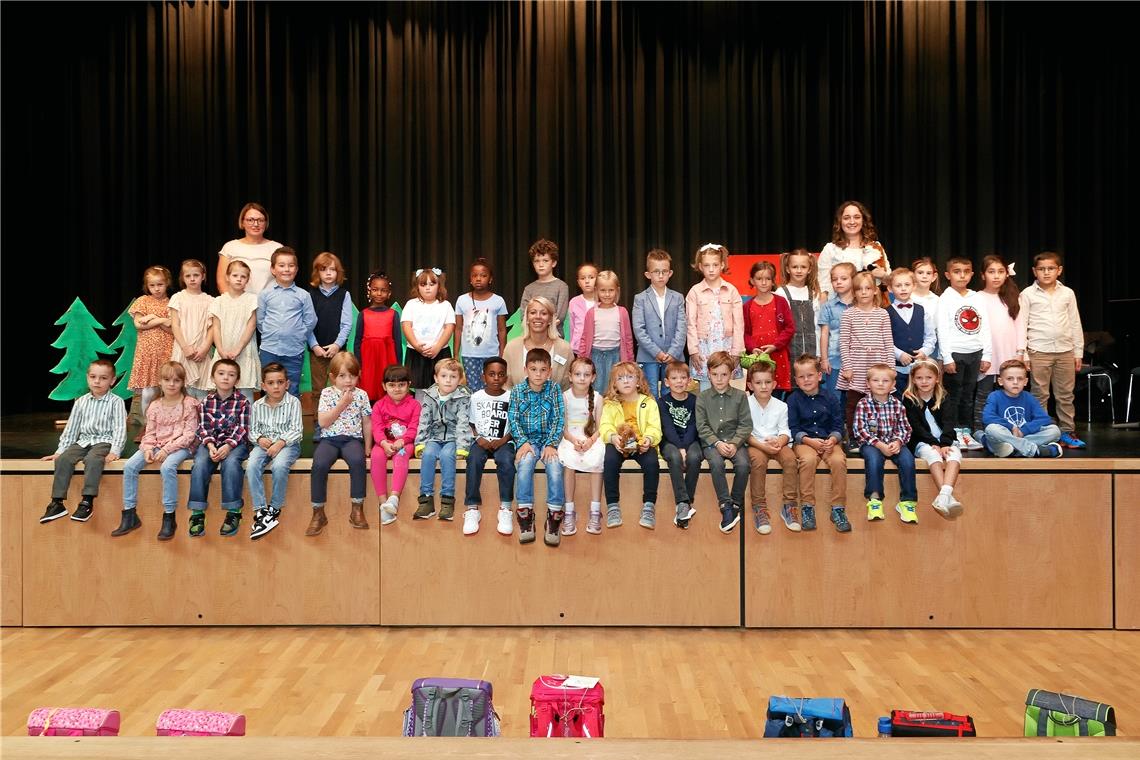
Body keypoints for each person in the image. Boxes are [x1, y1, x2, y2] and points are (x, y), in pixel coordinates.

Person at [113, 360, 199, 539]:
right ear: (160, 381)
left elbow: (189, 435)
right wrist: (147, 449)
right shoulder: (155, 405)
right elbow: (149, 433)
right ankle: (129, 513)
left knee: (167, 467)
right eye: (167, 380)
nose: (172, 384)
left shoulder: (189, 403)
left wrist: (167, 450)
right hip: (157, 445)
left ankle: (169, 516)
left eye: (176, 380)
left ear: (183, 382)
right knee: (129, 466)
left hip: (181, 446)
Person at [39, 359, 127, 524]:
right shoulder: (81, 402)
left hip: (104, 441)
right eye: (93, 376)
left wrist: (115, 451)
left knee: (93, 459)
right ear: (87, 378)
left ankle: (87, 501)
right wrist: (59, 451)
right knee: (64, 459)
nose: (97, 381)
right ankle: (57, 502)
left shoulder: (116, 402)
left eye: (103, 378)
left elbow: (120, 429)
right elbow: (71, 429)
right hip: (84, 441)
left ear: (112, 381)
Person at [1019, 251, 1086, 449]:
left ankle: (1067, 431)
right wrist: (1023, 353)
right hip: (1039, 350)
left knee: (1066, 394)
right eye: (1041, 269)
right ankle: (1043, 432)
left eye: (1050, 268)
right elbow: (1022, 324)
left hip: (1065, 350)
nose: (1046, 272)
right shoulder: (1027, 294)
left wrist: (1078, 351)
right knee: (1040, 394)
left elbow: (1075, 322)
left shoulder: (1067, 293)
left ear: (1059, 270)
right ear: (1034, 271)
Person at [309, 352, 373, 535]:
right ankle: (318, 511)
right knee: (319, 464)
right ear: (332, 377)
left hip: (352, 439)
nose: (348, 381)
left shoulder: (361, 395)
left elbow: (367, 422)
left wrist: (367, 447)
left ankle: (357, 508)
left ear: (358, 375)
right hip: (329, 440)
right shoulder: (327, 394)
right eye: (342, 376)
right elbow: (323, 422)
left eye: (352, 376)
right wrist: (342, 404)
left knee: (357, 461)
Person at [507, 348, 565, 546]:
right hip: (528, 442)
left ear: (549, 371)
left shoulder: (554, 389)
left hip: (549, 441)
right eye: (533, 369)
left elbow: (558, 419)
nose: (538, 374)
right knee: (524, 467)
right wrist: (522, 442)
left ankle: (554, 515)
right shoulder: (517, 391)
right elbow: (513, 419)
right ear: (525, 370)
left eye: (543, 370)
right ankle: (525, 515)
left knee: (556, 468)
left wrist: (551, 444)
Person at [186, 359, 251, 538]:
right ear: (213, 377)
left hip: (235, 444)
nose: (225, 378)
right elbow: (203, 427)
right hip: (211, 443)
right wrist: (210, 445)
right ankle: (197, 514)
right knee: (199, 463)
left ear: (237, 380)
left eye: (231, 375)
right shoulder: (206, 401)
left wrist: (228, 447)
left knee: (230, 464)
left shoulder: (243, 402)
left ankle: (233, 511)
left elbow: (243, 428)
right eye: (221, 374)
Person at [787, 354, 850, 533]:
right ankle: (807, 507)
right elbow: (793, 427)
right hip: (805, 441)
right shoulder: (792, 400)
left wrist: (832, 439)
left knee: (839, 461)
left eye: (810, 375)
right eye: (801, 376)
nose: (806, 380)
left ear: (819, 376)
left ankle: (838, 508)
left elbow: (838, 425)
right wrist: (809, 441)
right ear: (796, 380)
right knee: (807, 461)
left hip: (828, 442)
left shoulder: (830, 398)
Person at [599, 361, 662, 530]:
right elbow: (605, 426)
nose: (626, 381)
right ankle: (612, 506)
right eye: (620, 378)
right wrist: (612, 438)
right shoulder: (610, 404)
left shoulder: (648, 402)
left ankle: (649, 506)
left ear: (638, 381)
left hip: (642, 445)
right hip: (619, 444)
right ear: (614, 384)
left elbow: (655, 427)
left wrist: (649, 439)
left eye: (630, 377)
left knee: (652, 462)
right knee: (610, 459)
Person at [853, 364, 918, 524]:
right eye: (876, 380)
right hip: (871, 444)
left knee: (908, 460)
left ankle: (907, 502)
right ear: (868, 383)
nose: (880, 384)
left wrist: (898, 441)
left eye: (885, 380)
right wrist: (880, 445)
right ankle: (875, 500)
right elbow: (860, 430)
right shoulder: (863, 404)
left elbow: (905, 428)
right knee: (874, 460)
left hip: (893, 442)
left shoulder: (897, 405)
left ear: (893, 385)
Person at [696, 351, 752, 534]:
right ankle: (725, 505)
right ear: (708, 374)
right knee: (716, 463)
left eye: (724, 374)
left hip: (736, 441)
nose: (719, 379)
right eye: (715, 375)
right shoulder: (702, 398)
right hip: (712, 443)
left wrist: (735, 443)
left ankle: (735, 502)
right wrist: (717, 443)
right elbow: (702, 426)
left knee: (744, 464)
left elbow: (745, 425)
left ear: (732, 374)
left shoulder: (740, 396)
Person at [937, 257, 991, 448]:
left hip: (975, 353)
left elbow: (985, 327)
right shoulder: (945, 299)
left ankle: (966, 432)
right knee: (953, 396)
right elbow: (942, 329)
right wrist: (947, 357)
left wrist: (987, 354)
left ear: (972, 274)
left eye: (966, 271)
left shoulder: (977, 298)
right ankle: (953, 434)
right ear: (947, 275)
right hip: (955, 354)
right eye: (956, 271)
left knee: (968, 396)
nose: (962, 275)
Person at [246, 362, 303, 541]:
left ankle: (274, 508)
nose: (276, 386)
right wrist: (259, 439)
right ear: (263, 386)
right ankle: (261, 509)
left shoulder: (293, 402)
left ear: (287, 384)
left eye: (280, 382)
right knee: (252, 465)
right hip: (263, 445)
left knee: (279, 466)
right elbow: (252, 430)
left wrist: (280, 443)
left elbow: (297, 429)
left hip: (288, 444)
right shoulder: (257, 406)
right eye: (271, 383)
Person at [413, 357, 472, 523]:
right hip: (434, 436)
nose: (448, 380)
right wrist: (420, 443)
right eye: (444, 376)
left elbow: (463, 423)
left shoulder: (463, 397)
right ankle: (426, 500)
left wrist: (462, 447)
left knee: (447, 456)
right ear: (436, 378)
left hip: (453, 438)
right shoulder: (429, 396)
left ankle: (447, 499)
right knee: (429, 455)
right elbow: (424, 421)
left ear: (459, 380)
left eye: (453, 377)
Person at [903, 359, 964, 518]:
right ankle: (948, 498)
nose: (924, 381)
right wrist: (933, 444)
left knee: (954, 454)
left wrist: (944, 443)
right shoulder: (909, 399)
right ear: (913, 379)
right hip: (921, 440)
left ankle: (943, 496)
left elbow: (949, 422)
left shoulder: (943, 397)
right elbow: (916, 427)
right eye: (919, 378)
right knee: (932, 454)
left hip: (945, 440)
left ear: (937, 378)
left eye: (929, 377)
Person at [837, 271, 893, 446]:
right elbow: (844, 342)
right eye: (859, 289)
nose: (864, 292)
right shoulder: (849, 314)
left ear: (875, 290)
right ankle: (854, 438)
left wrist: (890, 369)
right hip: (856, 364)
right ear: (854, 292)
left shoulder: (883, 314)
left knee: (877, 402)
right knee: (853, 403)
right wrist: (847, 367)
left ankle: (879, 434)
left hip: (878, 363)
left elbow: (888, 342)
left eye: (868, 288)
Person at [744, 359, 798, 534]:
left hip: (776, 443)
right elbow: (745, 433)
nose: (764, 386)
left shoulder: (782, 406)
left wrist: (780, 442)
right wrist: (762, 446)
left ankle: (789, 505)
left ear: (774, 384)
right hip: (754, 443)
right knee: (758, 462)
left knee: (790, 459)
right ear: (750, 385)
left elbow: (785, 431)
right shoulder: (744, 404)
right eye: (758, 383)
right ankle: (759, 508)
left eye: (768, 382)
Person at [257, 246, 318, 397]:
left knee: (292, 388)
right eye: (281, 265)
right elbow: (260, 320)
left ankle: (291, 421)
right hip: (269, 350)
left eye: (291, 266)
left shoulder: (303, 295)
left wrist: (298, 334)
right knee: (269, 389)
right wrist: (271, 332)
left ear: (296, 270)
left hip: (294, 351)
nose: (286, 269)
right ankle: (268, 420)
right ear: (273, 269)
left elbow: (311, 320)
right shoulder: (265, 294)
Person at [464, 357, 515, 536]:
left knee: (507, 461)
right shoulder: (476, 397)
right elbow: (471, 423)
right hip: (482, 441)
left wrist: (503, 439)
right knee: (474, 460)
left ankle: (506, 508)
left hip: (504, 441)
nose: (496, 378)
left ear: (506, 378)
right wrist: (478, 438)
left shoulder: (512, 396)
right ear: (483, 376)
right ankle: (472, 509)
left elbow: (515, 424)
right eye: (491, 374)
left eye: (500, 375)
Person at [973, 255, 1025, 432]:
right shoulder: (976, 297)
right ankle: (980, 429)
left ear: (1007, 274)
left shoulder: (1013, 298)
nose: (996, 276)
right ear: (982, 275)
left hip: (1009, 354)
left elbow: (1020, 326)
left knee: (1009, 394)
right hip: (987, 355)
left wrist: (1020, 352)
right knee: (984, 395)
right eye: (991, 272)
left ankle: (1008, 429)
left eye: (1000, 272)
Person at [557, 357, 604, 536]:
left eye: (586, 375)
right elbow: (563, 428)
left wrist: (590, 441)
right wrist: (573, 441)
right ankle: (569, 510)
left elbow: (601, 428)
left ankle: (595, 510)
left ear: (593, 377)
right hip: (570, 439)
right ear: (570, 376)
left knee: (598, 456)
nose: (582, 378)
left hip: (592, 439)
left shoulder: (598, 398)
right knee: (568, 461)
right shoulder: (564, 397)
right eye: (577, 374)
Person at [686, 243, 744, 390]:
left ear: (722, 265)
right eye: (706, 265)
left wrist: (737, 351)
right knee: (706, 387)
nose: (711, 269)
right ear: (700, 266)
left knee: (725, 384)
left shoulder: (731, 290)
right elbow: (690, 323)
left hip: (727, 346)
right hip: (704, 347)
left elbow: (739, 324)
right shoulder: (695, 291)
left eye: (715, 264)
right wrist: (693, 350)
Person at [371, 364, 422, 526]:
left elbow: (414, 427)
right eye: (392, 385)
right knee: (376, 455)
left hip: (405, 444)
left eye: (401, 385)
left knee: (401, 456)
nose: (397, 389)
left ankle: (394, 498)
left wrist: (404, 440)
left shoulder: (415, 405)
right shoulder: (379, 405)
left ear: (409, 385)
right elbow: (377, 428)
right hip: (385, 443)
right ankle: (383, 503)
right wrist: (383, 443)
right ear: (384, 386)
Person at [632, 249, 686, 399]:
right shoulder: (640, 299)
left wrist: (673, 352)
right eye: (656, 272)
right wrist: (657, 352)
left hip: (673, 356)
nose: (661, 276)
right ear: (648, 274)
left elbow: (682, 328)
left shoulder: (678, 298)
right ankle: (654, 423)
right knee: (650, 393)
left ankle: (670, 422)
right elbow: (639, 329)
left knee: (672, 393)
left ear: (670, 273)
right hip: (649, 356)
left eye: (664, 271)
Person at [982, 359, 1063, 458]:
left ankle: (1013, 449)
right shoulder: (994, 396)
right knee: (992, 429)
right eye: (1010, 378)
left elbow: (1044, 418)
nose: (1015, 382)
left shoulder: (1029, 397)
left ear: (1025, 381)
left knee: (1054, 431)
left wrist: (1023, 430)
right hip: (1005, 434)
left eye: (1020, 379)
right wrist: (1011, 427)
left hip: (1021, 436)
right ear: (1000, 381)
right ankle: (1033, 450)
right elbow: (987, 417)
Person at [658, 360, 704, 529]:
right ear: (666, 382)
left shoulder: (695, 400)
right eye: (674, 378)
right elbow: (667, 427)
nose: (679, 381)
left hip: (692, 440)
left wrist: (685, 447)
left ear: (689, 381)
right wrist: (679, 447)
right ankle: (683, 502)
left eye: (683, 378)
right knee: (674, 457)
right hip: (670, 442)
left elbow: (693, 425)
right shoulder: (662, 402)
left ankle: (685, 504)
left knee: (694, 456)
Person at [208, 259, 260, 401]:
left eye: (243, 277)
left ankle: (246, 422)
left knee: (245, 389)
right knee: (222, 388)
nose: (239, 279)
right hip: (223, 350)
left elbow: (251, 326)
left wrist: (238, 349)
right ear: (227, 277)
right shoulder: (218, 301)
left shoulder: (251, 299)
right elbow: (216, 327)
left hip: (244, 351)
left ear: (247, 280)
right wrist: (220, 349)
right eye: (235, 275)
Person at [454, 258, 509, 393]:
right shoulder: (462, 300)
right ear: (470, 279)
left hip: (491, 354)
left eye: (483, 275)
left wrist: (502, 353)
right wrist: (456, 354)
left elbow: (502, 330)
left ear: (490, 279)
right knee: (472, 389)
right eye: (475, 275)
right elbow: (458, 328)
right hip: (469, 354)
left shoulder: (498, 301)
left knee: (491, 388)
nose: (479, 279)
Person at [817, 200, 891, 299]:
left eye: (857, 217)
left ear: (863, 220)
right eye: (846, 218)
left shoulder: (875, 247)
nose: (852, 222)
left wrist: (883, 276)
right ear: (840, 221)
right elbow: (823, 286)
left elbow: (892, 283)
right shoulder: (830, 249)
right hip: (839, 307)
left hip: (871, 308)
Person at [128, 265, 175, 421]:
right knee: (148, 392)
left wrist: (154, 318)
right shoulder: (143, 301)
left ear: (167, 283)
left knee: (167, 391)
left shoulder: (172, 303)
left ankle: (166, 423)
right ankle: (148, 425)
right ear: (147, 286)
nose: (156, 289)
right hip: (147, 353)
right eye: (152, 285)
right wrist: (162, 320)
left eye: (160, 284)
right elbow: (138, 324)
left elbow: (172, 330)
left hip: (166, 352)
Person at [307, 252, 354, 401]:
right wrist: (314, 346)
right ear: (317, 272)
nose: (328, 273)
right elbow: (307, 324)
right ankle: (319, 423)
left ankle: (342, 421)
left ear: (338, 272)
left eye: (332, 269)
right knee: (318, 390)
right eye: (323, 269)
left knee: (342, 387)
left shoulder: (344, 294)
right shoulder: (311, 295)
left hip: (338, 351)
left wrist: (337, 345)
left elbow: (346, 324)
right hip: (317, 352)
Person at [401, 267, 456, 391]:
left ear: (439, 286)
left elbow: (449, 327)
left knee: (442, 386)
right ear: (417, 287)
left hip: (440, 352)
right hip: (416, 352)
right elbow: (406, 326)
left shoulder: (445, 305)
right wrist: (416, 345)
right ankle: (422, 410)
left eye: (432, 284)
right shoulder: (411, 304)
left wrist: (437, 347)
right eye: (423, 284)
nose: (427, 287)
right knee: (420, 389)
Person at [743, 261, 794, 393]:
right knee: (758, 389)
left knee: (777, 392)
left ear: (773, 281)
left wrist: (776, 345)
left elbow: (789, 328)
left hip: (778, 354)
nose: (764, 282)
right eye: (759, 279)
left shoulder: (781, 302)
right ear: (752, 281)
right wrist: (752, 348)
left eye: (767, 279)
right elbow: (745, 333)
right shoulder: (747, 306)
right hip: (758, 357)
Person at [502, 296, 574, 389]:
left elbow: (568, 386)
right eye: (533, 312)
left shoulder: (564, 348)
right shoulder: (512, 347)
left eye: (543, 313)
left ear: (550, 319)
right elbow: (506, 385)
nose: (538, 317)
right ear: (527, 318)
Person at [581, 270, 634, 393]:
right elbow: (584, 338)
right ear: (596, 291)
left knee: (615, 389)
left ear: (617, 291)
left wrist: (629, 361)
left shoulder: (622, 312)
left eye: (611, 290)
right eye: (603, 290)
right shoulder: (591, 313)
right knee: (597, 389)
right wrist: (583, 359)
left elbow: (628, 339)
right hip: (595, 356)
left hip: (616, 356)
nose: (607, 294)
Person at [168, 259, 215, 399]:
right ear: (183, 278)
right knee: (181, 390)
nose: (192, 279)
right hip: (183, 349)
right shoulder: (178, 298)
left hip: (201, 351)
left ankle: (201, 420)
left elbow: (212, 327)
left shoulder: (210, 301)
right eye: (188, 276)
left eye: (196, 275)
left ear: (203, 276)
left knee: (201, 393)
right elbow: (175, 325)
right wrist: (185, 347)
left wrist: (205, 348)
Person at [887, 267, 936, 396]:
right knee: (898, 400)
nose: (903, 288)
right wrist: (899, 354)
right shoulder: (886, 313)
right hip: (896, 369)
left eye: (907, 285)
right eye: (898, 285)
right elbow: (883, 340)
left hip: (919, 369)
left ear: (914, 286)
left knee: (918, 402)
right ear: (890, 289)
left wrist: (924, 351)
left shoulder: (922, 310)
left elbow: (931, 337)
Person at [215, 202, 281, 295]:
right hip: (237, 305)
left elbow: (283, 280)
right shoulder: (230, 247)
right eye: (250, 220)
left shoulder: (277, 248)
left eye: (260, 220)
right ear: (242, 222)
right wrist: (232, 303)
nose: (256, 224)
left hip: (268, 306)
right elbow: (221, 281)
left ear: (266, 223)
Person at [354, 271, 400, 402]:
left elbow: (397, 341)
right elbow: (357, 341)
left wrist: (398, 365)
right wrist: (358, 365)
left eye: (383, 290)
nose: (379, 294)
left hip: (387, 358)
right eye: (375, 290)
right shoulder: (363, 314)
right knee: (368, 388)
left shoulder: (393, 314)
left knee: (386, 386)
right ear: (369, 291)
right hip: (368, 360)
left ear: (389, 293)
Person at [519, 238, 570, 333]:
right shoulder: (529, 289)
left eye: (545, 260)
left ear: (553, 263)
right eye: (537, 261)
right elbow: (524, 315)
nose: (541, 264)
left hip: (554, 336)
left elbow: (560, 316)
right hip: (532, 336)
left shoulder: (561, 286)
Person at [818, 262, 855, 391]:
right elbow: (824, 334)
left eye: (844, 279)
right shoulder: (828, 306)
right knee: (834, 398)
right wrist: (824, 359)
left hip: (858, 361)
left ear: (853, 280)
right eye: (835, 279)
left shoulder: (860, 305)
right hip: (834, 360)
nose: (838, 282)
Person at [779, 249, 821, 360]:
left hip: (812, 352)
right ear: (788, 269)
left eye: (803, 267)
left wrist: (819, 353)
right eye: (794, 267)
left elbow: (817, 327)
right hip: (788, 352)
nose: (799, 271)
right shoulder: (780, 293)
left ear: (809, 269)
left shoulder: (814, 294)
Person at [568, 262, 599, 357]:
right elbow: (571, 327)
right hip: (579, 351)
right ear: (578, 283)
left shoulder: (604, 302)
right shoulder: (574, 302)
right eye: (583, 278)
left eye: (591, 277)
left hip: (598, 349)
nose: (587, 281)